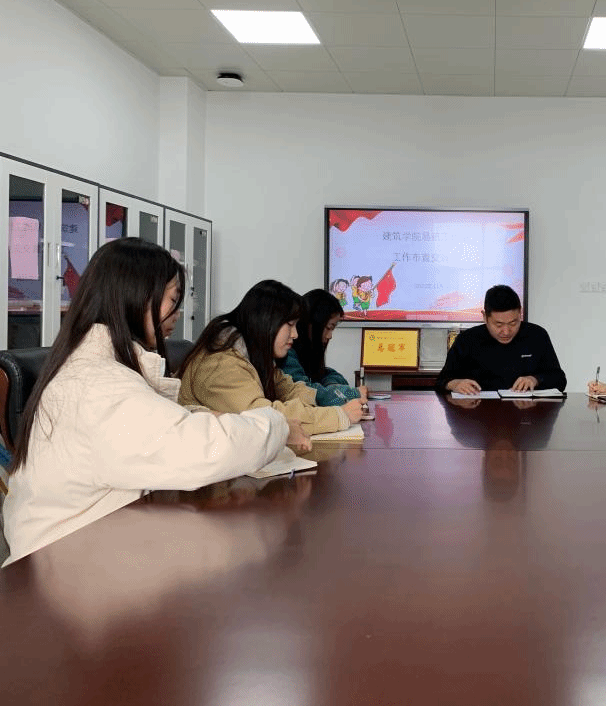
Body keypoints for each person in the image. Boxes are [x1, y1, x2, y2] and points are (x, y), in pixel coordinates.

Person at [2, 238, 293, 564]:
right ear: (137, 297)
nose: (177, 314)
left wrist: (199, 414)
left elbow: (148, 422)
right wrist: (278, 424)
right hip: (57, 566)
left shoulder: (94, 369)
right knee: (243, 549)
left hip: (86, 544)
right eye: (172, 300)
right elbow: (204, 452)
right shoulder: (98, 386)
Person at [178, 280, 364, 435]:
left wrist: (330, 399)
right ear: (266, 322)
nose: (295, 334)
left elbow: (289, 388)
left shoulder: (253, 356)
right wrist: (339, 416)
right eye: (290, 325)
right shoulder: (221, 363)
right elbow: (266, 417)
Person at [435, 284, 567, 394]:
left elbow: (559, 380)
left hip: (525, 413)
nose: (506, 331)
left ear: (520, 314)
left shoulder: (537, 335)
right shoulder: (467, 340)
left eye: (513, 323)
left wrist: (535, 379)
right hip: (479, 413)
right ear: (485, 317)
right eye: (498, 325)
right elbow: (441, 381)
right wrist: (454, 384)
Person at [278, 289, 368, 407]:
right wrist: (352, 393)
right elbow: (307, 394)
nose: (330, 336)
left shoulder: (306, 352)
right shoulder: (286, 353)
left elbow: (325, 374)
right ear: (311, 323)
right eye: (328, 328)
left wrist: (331, 386)